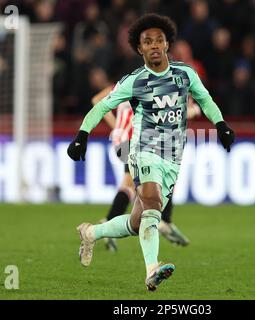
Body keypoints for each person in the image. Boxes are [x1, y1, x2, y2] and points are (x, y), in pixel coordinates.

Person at [67, 13, 235, 291]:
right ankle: (152, 270)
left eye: (160, 40)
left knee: (137, 221)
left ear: (168, 44)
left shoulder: (185, 75)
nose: (155, 45)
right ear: (139, 48)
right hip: (143, 151)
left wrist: (221, 125)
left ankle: (91, 232)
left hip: (173, 156)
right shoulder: (134, 81)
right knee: (154, 204)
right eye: (148, 41)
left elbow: (206, 100)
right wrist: (82, 135)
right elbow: (102, 105)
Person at [93, 85, 201, 252]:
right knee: (159, 174)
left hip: (121, 140)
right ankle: (164, 220)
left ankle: (108, 223)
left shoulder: (123, 83)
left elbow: (97, 100)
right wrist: (192, 109)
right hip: (137, 140)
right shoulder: (153, 85)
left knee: (128, 185)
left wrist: (117, 126)